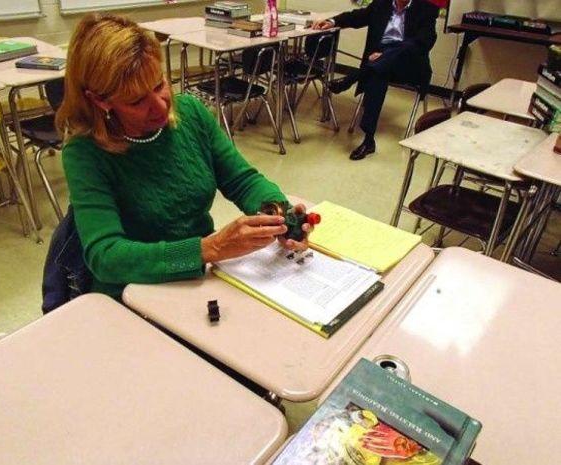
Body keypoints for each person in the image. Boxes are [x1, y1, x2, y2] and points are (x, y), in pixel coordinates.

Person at [55, 13, 311, 300]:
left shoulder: (191, 112)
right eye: (136, 100)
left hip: (199, 274)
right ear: (100, 101)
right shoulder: (85, 153)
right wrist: (209, 248)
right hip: (134, 291)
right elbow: (107, 257)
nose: (160, 105)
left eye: (159, 84)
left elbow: (243, 180)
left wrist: (279, 215)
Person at [313, 0, 439, 160]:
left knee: (388, 58)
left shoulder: (426, 9)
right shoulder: (382, 4)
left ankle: (351, 78)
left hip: (409, 66)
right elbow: (357, 16)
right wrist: (333, 21)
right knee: (378, 73)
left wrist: (387, 54)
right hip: (380, 65)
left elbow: (424, 42)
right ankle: (368, 139)